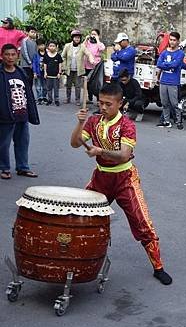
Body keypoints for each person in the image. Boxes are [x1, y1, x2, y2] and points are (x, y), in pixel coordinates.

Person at [69, 82, 172, 285]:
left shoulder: (127, 125)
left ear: (120, 104)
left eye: (108, 104)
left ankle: (158, 267)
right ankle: (74, 258)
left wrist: (100, 151)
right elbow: (74, 143)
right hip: (101, 177)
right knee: (81, 216)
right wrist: (80, 123)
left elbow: (124, 156)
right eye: (101, 103)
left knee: (143, 224)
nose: (104, 108)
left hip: (125, 179)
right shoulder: (93, 121)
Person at [0, 44, 39, 180]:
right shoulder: (1, 73)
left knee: (23, 142)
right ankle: (4, 168)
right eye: (7, 55)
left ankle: (23, 167)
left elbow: (27, 93)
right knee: (3, 144)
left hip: (21, 113)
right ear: (2, 56)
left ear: (17, 56)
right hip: (5, 115)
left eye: (13, 55)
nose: (10, 57)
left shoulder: (21, 72)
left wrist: (31, 112)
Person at [156, 31, 186, 130]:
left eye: (174, 40)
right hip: (163, 81)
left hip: (173, 82)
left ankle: (179, 121)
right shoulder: (164, 52)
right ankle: (166, 121)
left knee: (175, 104)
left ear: (178, 41)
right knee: (164, 103)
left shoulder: (180, 53)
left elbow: (176, 64)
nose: (172, 42)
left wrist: (165, 65)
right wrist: (166, 67)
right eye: (170, 40)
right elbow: (159, 64)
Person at [61, 29, 86, 105]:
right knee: (68, 85)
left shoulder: (82, 46)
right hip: (69, 69)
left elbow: (87, 53)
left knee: (78, 86)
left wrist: (91, 59)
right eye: (75, 37)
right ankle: (68, 98)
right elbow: (63, 56)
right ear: (72, 38)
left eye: (78, 38)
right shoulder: (67, 46)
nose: (77, 39)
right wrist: (64, 66)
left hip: (78, 70)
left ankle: (77, 100)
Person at [82, 29, 106, 104]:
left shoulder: (99, 44)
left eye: (95, 34)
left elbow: (102, 48)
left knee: (96, 83)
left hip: (96, 67)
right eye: (92, 34)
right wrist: (86, 39)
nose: (93, 36)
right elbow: (82, 47)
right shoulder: (88, 43)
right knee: (87, 83)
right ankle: (89, 98)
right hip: (87, 66)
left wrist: (97, 39)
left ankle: (99, 100)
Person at [42, 41, 62, 106]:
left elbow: (60, 64)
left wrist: (59, 73)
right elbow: (45, 65)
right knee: (49, 88)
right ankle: (50, 100)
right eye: (50, 46)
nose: (52, 47)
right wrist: (45, 73)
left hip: (56, 76)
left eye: (53, 46)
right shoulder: (46, 55)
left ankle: (56, 100)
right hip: (48, 75)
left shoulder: (58, 56)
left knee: (56, 88)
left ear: (56, 47)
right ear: (48, 47)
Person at [32, 40, 47, 104]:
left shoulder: (47, 54)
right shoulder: (36, 54)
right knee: (38, 86)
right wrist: (34, 72)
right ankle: (39, 97)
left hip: (45, 72)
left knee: (45, 86)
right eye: (40, 45)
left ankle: (44, 97)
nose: (41, 46)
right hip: (38, 72)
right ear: (37, 46)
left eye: (42, 45)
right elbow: (34, 64)